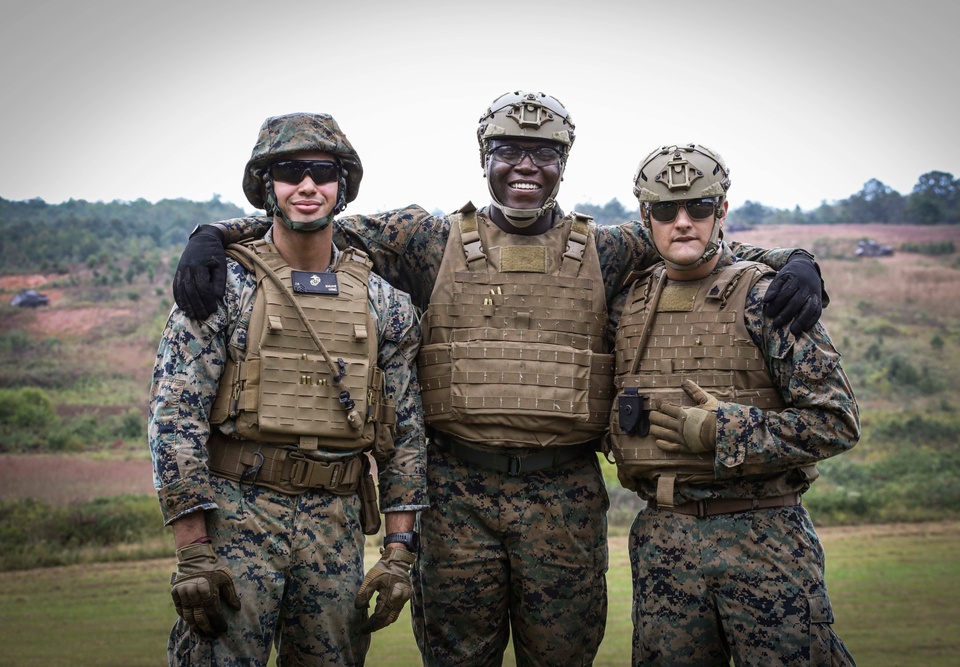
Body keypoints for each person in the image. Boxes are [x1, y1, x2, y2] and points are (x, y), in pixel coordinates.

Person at [171, 92, 826, 666]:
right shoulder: (428, 238)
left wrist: (794, 263)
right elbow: (313, 223)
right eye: (509, 150)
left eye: (544, 153)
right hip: (457, 495)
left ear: (563, 163)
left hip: (564, 495)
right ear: (483, 155)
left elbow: (690, 240)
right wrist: (215, 234)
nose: (526, 167)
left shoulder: (606, 248)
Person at [149, 112, 427, 667]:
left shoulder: (384, 303)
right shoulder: (224, 287)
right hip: (236, 518)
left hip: (335, 522)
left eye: (323, 172)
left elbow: (406, 437)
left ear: (343, 187)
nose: (306, 186)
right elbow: (175, 417)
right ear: (266, 187)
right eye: (289, 171)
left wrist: (398, 554)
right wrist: (194, 551)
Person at [608, 143, 859, 666]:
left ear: (722, 211)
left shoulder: (770, 298)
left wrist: (726, 432)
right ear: (644, 216)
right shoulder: (626, 303)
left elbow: (836, 422)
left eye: (699, 208)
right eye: (665, 210)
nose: (683, 223)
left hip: (764, 538)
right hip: (663, 540)